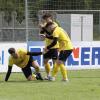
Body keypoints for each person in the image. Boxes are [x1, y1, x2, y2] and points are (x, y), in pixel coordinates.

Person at [39, 13, 59, 80]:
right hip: (47, 46)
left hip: (54, 46)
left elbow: (51, 36)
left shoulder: (54, 25)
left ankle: (53, 76)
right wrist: (41, 30)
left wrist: (43, 28)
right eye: (44, 19)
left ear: (50, 17)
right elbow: (41, 33)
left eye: (46, 19)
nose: (46, 20)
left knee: (54, 62)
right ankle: (48, 75)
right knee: (45, 61)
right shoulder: (45, 25)